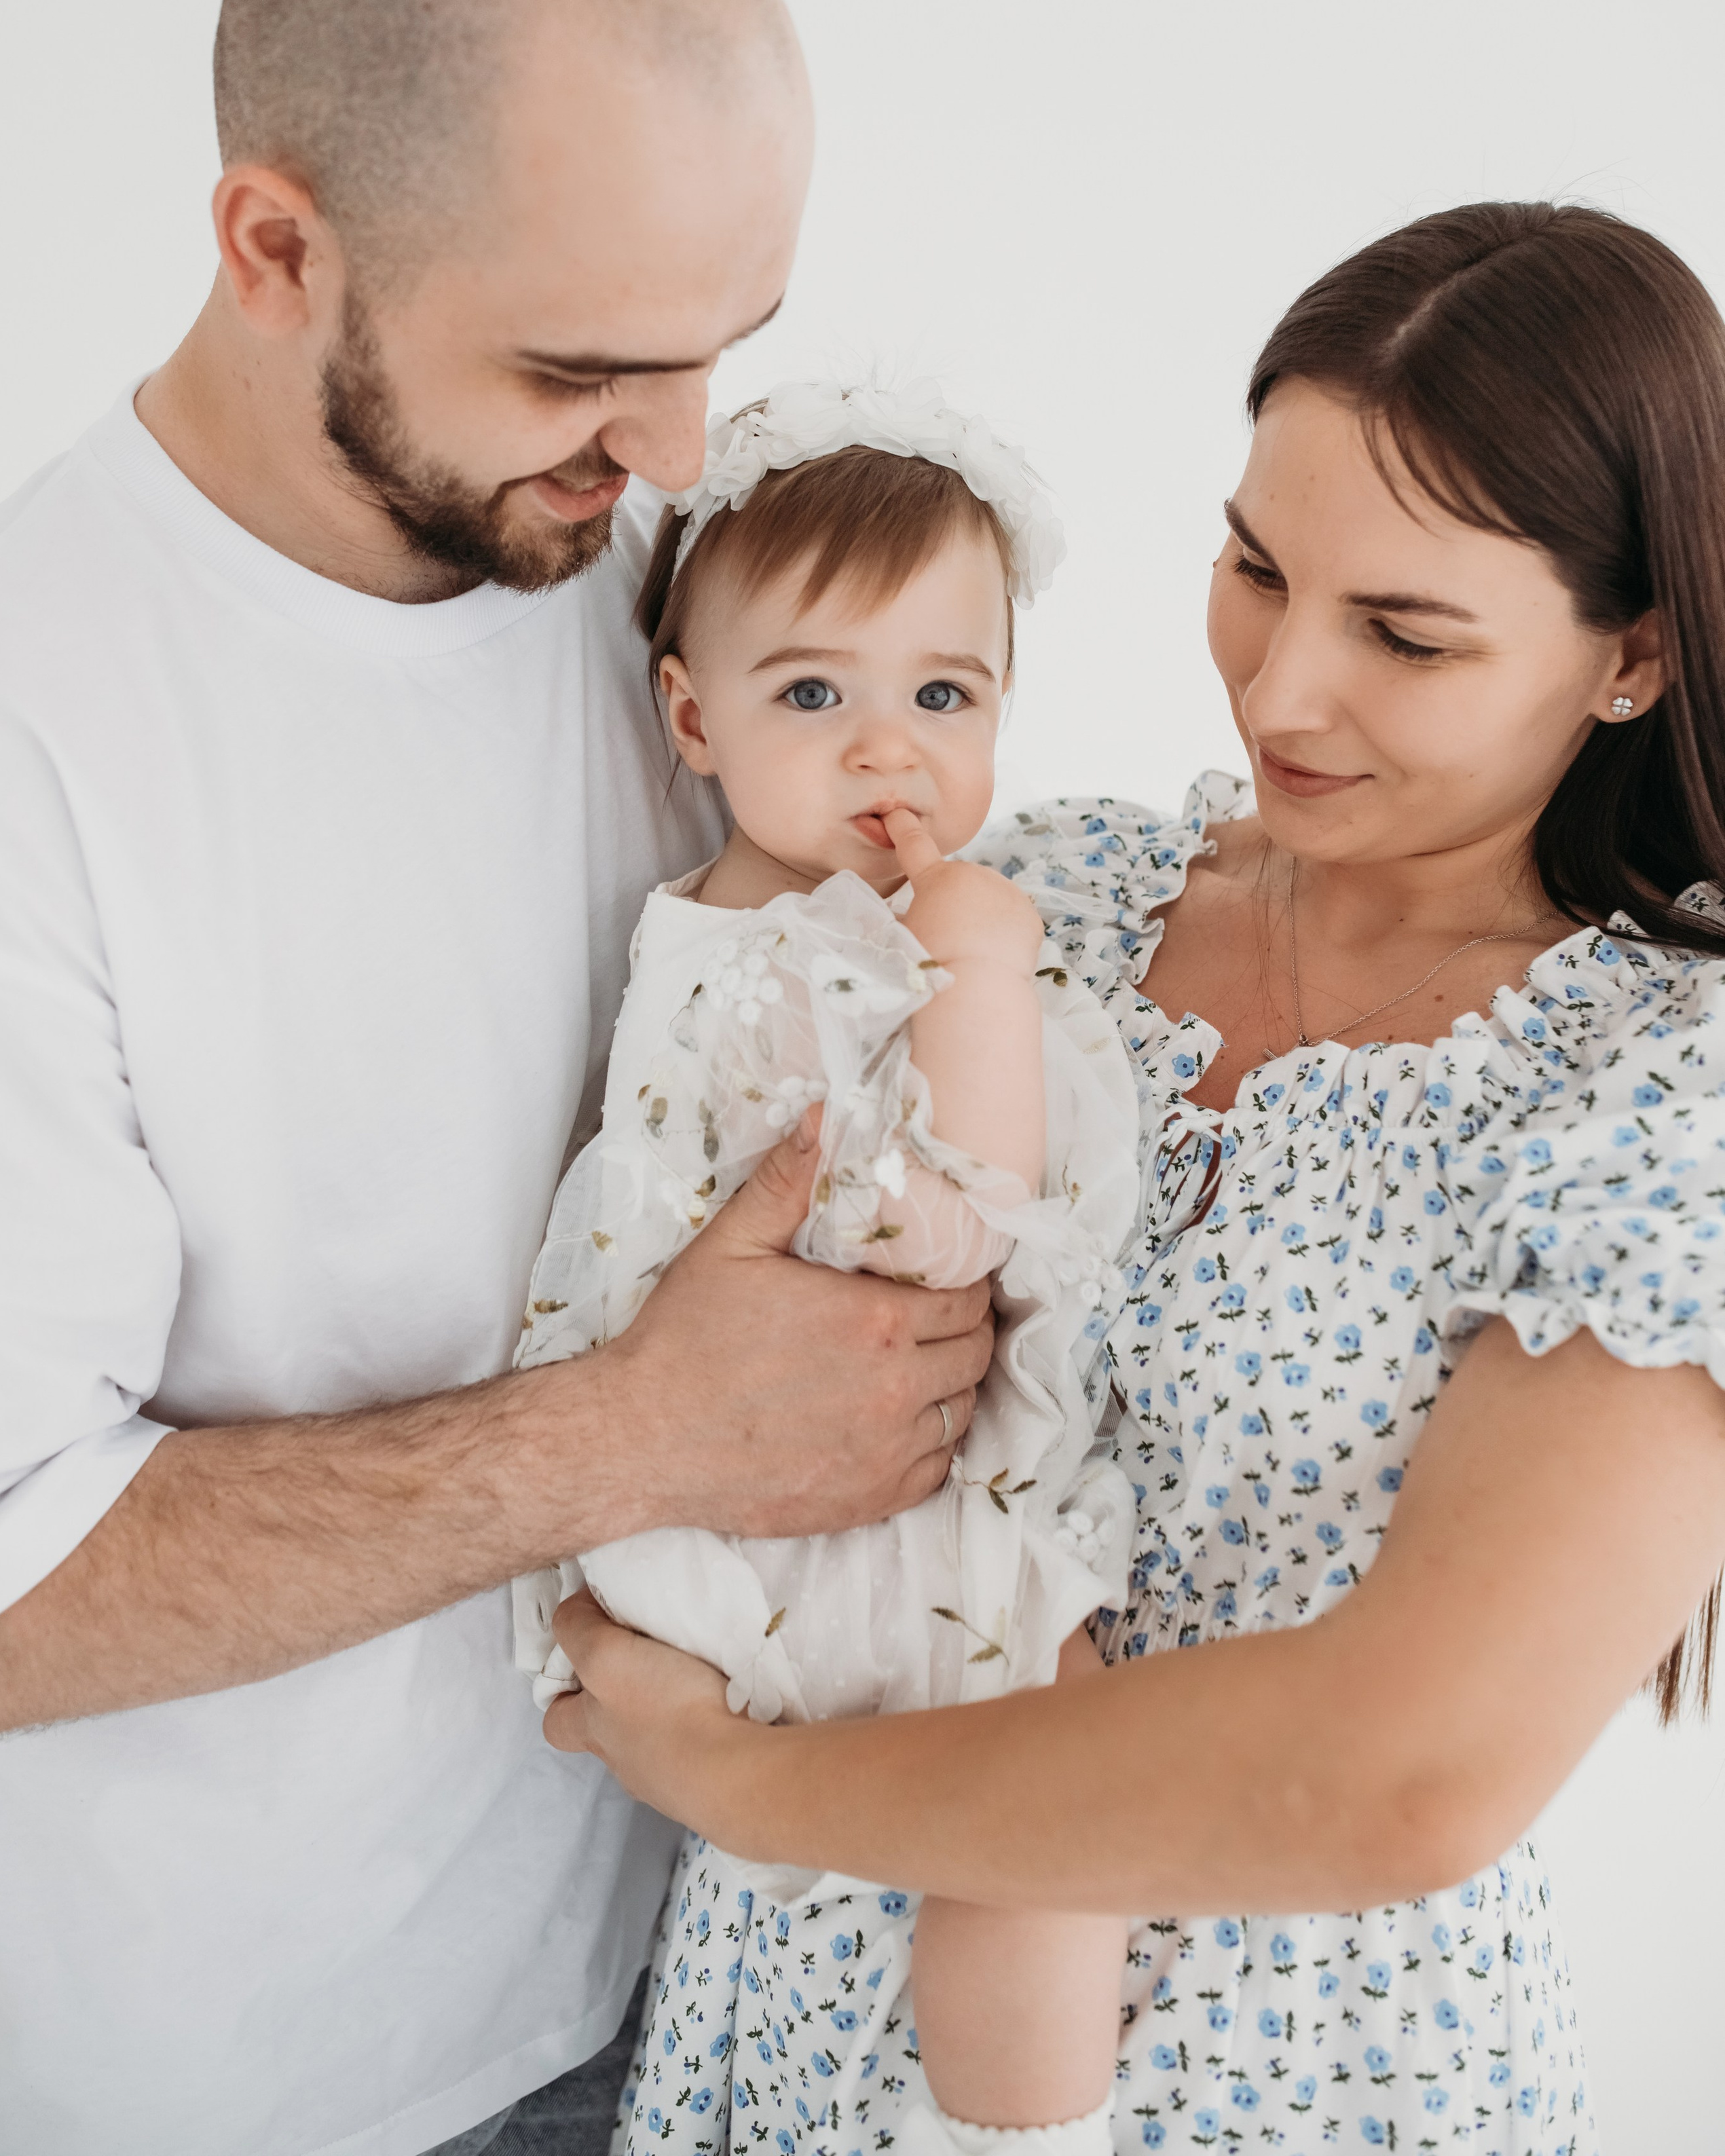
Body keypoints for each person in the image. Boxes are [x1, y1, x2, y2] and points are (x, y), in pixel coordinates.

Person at [0, 0, 996, 2156]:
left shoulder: (653, 568)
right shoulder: (36, 731)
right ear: (277, 247)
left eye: (720, 346)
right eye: (579, 371)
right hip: (284, 2089)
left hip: (721, 1970)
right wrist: (637, 1430)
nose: (673, 450)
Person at [545, 201, 1725, 2156]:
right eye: (1257, 569)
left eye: (1406, 636)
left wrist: (736, 1782)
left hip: (1276, 2082)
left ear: (1635, 660)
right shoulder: (1056, 895)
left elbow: (1408, 1773)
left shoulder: (1660, 1090)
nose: (1279, 695)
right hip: (785, 2034)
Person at [511, 379, 1143, 2156]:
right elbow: (952, 1219)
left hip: (727, 1522)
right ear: (690, 718)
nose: (891, 751)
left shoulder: (691, 921)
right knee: (1058, 1775)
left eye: (945, 695)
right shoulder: (855, 943)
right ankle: (1019, 2133)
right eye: (817, 696)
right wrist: (984, 955)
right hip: (832, 1503)